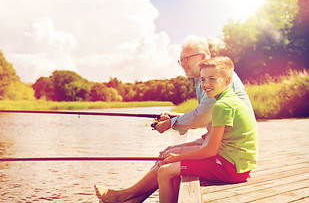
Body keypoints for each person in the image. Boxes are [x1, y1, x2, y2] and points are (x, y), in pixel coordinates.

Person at [94, 36, 254, 203]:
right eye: (180, 60)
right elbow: (205, 113)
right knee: (167, 153)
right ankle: (132, 199)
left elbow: (202, 116)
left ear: (203, 57)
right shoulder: (205, 81)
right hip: (219, 141)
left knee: (168, 157)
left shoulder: (219, 77)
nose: (183, 64)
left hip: (227, 149)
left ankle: (125, 196)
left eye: (186, 59)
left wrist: (171, 124)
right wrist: (175, 117)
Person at [158, 56, 258, 202]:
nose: (206, 84)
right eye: (203, 80)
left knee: (164, 171)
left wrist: (178, 157)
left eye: (212, 79)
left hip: (230, 169)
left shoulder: (221, 106)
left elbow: (211, 151)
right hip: (240, 166)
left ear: (227, 80)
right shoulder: (231, 99)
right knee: (174, 172)